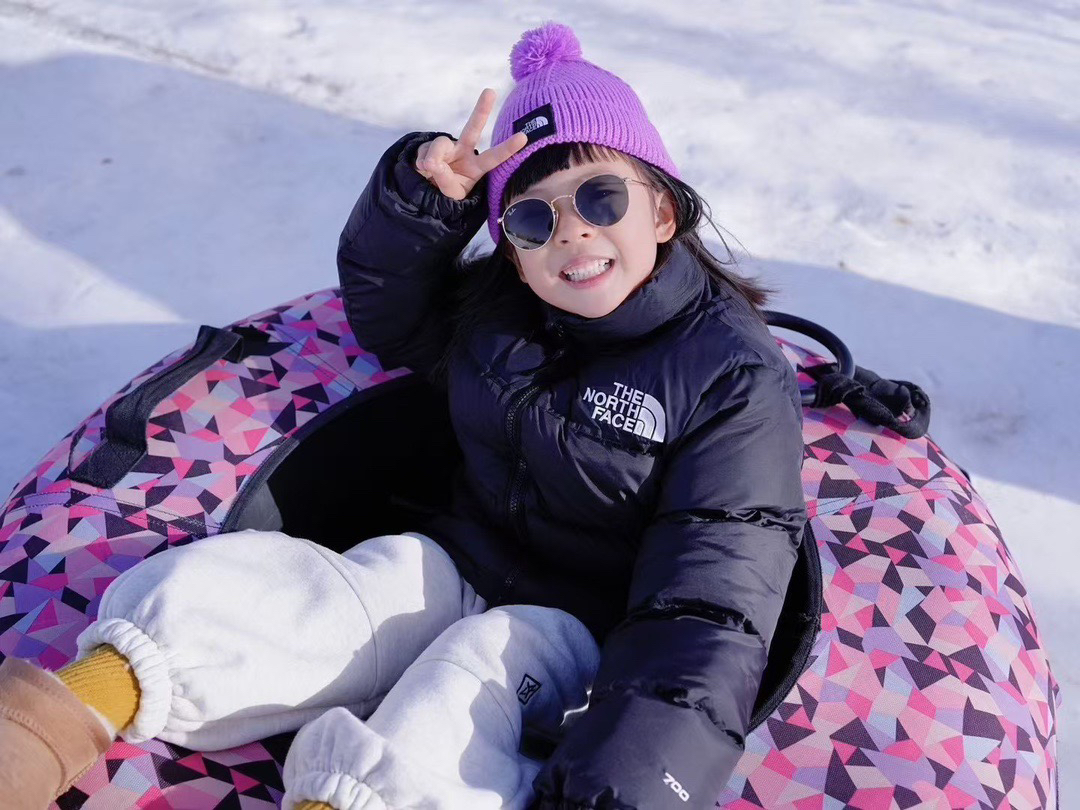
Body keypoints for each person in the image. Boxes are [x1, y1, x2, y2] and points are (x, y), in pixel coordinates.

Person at [0, 20, 807, 810]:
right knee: (324, 600)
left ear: (661, 212)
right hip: (456, 559)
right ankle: (42, 732)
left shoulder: (730, 377)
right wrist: (423, 205)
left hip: (580, 633)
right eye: (534, 218)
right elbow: (390, 314)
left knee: (462, 683)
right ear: (514, 252)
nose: (573, 233)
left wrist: (626, 785)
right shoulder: (504, 313)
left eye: (601, 196)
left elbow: (710, 604)